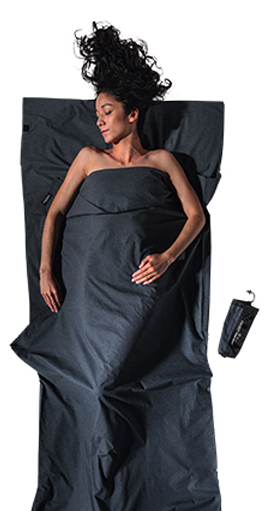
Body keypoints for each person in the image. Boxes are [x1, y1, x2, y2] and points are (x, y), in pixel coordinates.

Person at [39, 22, 207, 313]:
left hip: (141, 283)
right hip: (90, 279)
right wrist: (45, 272)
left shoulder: (162, 160)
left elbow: (197, 216)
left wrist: (167, 258)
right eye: (97, 114)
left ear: (132, 114)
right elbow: (55, 212)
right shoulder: (89, 158)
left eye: (107, 112)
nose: (99, 121)